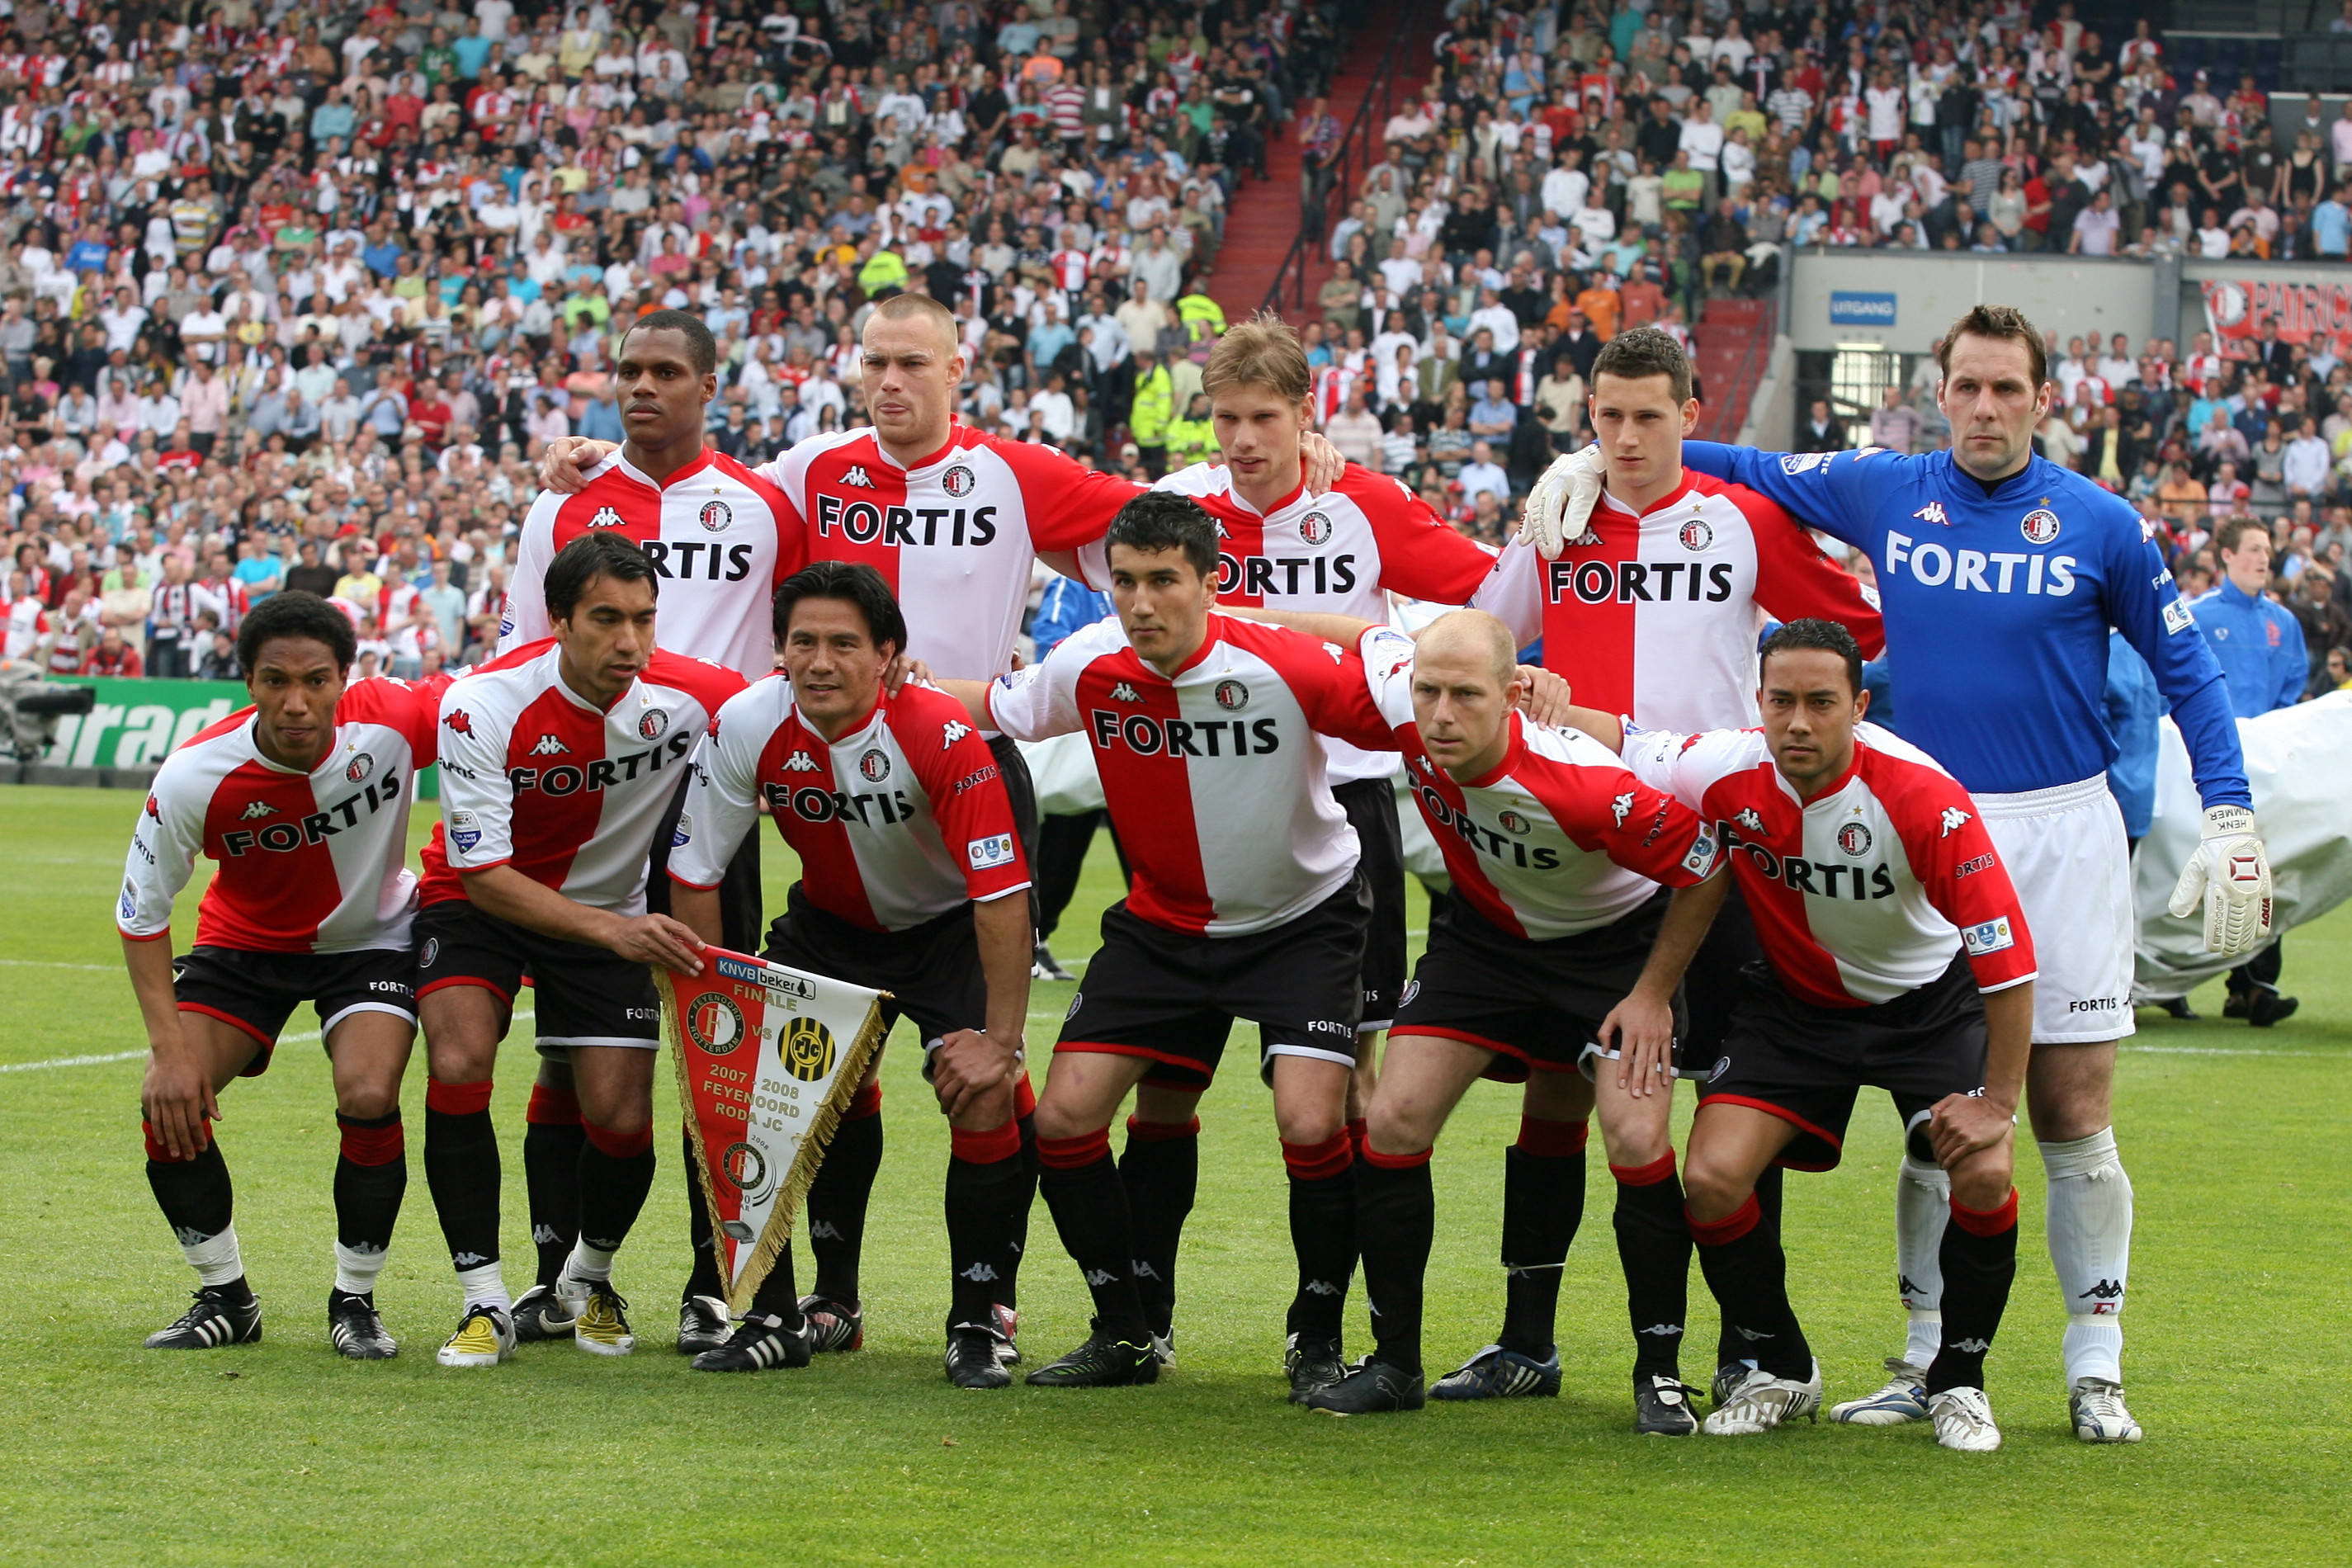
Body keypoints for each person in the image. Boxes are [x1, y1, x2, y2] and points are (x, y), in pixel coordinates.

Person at [535, 297, 1352, 1355]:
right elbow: (701, 492)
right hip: (829, 765)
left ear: (956, 369)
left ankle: (985, 1308)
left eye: (913, 362)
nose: (891, 380)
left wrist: (1279, 467)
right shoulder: (807, 472)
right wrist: (598, 457)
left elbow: (1174, 526)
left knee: (988, 1074)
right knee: (820, 1070)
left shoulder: (1013, 472)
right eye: (874, 360)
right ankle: (824, 1299)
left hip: (964, 750)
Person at [1538, 304, 2265, 1443]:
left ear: (2042, 399)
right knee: (1941, 1113)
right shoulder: (1883, 488)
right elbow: (1740, 461)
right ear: (1940, 393)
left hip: (2055, 830)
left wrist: (2227, 805)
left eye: (2006, 389)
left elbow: (2186, 668)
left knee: (2071, 1111)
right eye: (1966, 387)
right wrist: (1596, 458)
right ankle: (1927, 1363)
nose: (1985, 408)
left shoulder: (2103, 524)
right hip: (1906, 825)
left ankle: (2095, 1366)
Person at [1468, 328, 1882, 1406]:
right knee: (1556, 1093)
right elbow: (1477, 640)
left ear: (1691, 416)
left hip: (1722, 853)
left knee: (1737, 1100)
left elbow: (1860, 631)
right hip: (1583, 849)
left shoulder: (1744, 519)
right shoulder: (1557, 520)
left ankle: (1750, 1346)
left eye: (1648, 415)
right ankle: (1525, 1342)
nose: (1626, 437)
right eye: (1607, 417)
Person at [931, 492, 1414, 1390]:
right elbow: (999, 704)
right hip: (1163, 926)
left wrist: (1411, 649)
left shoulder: (1283, 663)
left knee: (1313, 1121)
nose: (1141, 602)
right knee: (1066, 1119)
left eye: (1163, 581)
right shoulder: (1089, 663)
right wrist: (891, 683)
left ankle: (1315, 1336)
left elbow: (1416, 715)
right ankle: (1127, 1331)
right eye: (1125, 582)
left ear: (1211, 581)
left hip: (1301, 921)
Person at [1230, 608, 1729, 1425]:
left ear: (1513, 696)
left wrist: (1650, 995)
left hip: (1612, 951)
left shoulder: (1583, 781)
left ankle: (1659, 1375)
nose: (1440, 714)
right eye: (1429, 691)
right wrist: (1223, 612)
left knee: (1636, 1138)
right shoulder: (1409, 702)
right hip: (1485, 943)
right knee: (1393, 1119)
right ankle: (1396, 1364)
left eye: (1465, 695)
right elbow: (1360, 633)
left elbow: (1705, 866)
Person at [1575, 619, 2036, 1452]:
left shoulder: (1924, 797)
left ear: (1858, 706)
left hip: (1928, 1008)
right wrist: (1526, 694)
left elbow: (2006, 958)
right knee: (1712, 1177)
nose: (1797, 722)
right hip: (1794, 1010)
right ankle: (1782, 1367)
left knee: (1985, 1171)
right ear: (1758, 700)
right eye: (1780, 700)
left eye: (1821, 703)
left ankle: (1959, 1382)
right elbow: (1627, 741)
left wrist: (1999, 1103)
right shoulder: (1726, 767)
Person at [665, 562, 1037, 1386]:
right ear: (779, 651)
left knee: (983, 1096)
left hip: (947, 932)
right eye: (803, 642)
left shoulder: (938, 728)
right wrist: (715, 1004)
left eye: (844, 643)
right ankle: (781, 1315)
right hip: (828, 931)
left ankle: (979, 1319)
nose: (821, 662)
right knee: (751, 1098)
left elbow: (1002, 894)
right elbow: (695, 871)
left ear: (887, 654)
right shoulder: (748, 721)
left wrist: (1002, 1040)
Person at [414, 532, 743, 1369]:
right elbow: (483, 873)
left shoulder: (695, 696)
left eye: (643, 619)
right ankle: (484, 1300)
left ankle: (586, 1277)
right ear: (557, 620)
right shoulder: (482, 704)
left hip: (606, 909)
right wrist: (620, 933)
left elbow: (797, 706)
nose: (629, 641)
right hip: (482, 903)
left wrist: (905, 676)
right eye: (605, 619)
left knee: (622, 1120)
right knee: (458, 1060)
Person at [119, 592, 446, 1360]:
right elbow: (141, 916)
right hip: (245, 946)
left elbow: (507, 689)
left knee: (368, 1094)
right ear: (248, 682)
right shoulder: (194, 774)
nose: (296, 703)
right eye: (276, 682)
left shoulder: (396, 717)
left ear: (344, 678)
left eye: (315, 681)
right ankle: (226, 1298)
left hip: (370, 942)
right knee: (167, 1106)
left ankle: (355, 1300)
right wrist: (170, 1054)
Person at [2188, 518, 2306, 1026]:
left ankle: (2255, 987)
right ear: (2227, 556)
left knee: (2263, 870)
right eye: (2254, 549)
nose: (2264, 558)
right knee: (2198, 868)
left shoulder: (2284, 623)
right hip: (2207, 767)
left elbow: (2293, 689)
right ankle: (2173, 985)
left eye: (2268, 549)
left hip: (2266, 767)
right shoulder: (2199, 615)